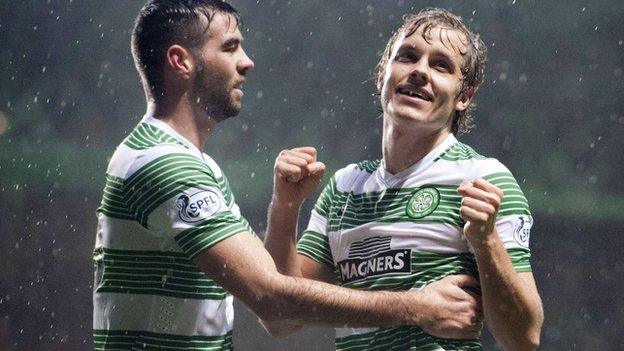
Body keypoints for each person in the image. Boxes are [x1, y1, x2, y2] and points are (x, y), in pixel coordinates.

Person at [92, 2, 485, 350]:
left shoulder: (189, 161)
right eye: (230, 47)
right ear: (182, 62)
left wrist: (285, 205)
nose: (247, 62)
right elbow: (272, 297)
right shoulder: (166, 163)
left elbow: (276, 306)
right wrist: (417, 307)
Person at [265, 8, 544, 351]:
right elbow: (280, 318)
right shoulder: (343, 188)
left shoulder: (484, 178)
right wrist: (285, 206)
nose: (420, 71)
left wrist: (486, 243)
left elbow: (524, 339)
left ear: (464, 96)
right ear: (383, 75)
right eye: (408, 56)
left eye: (441, 65)